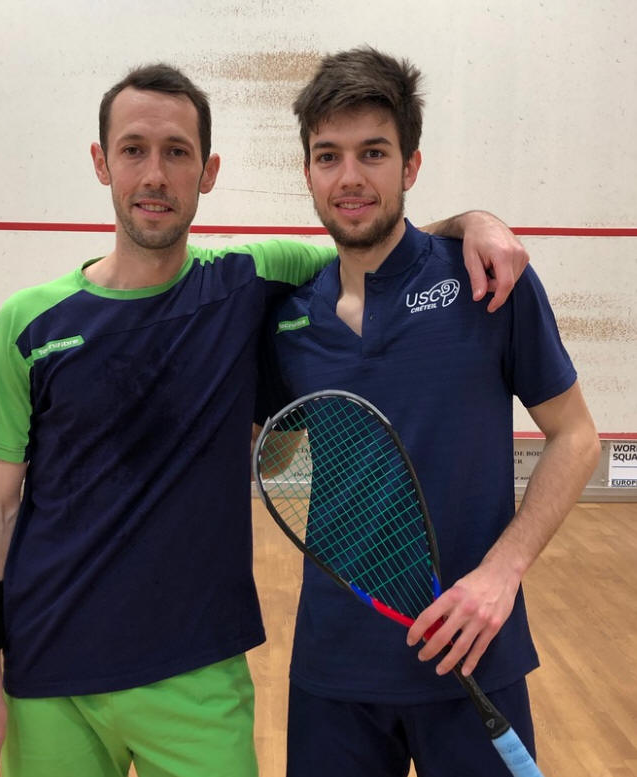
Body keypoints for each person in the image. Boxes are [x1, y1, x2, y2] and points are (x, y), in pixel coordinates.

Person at [0, 62, 530, 777]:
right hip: (48, 676)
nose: (154, 174)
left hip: (199, 675)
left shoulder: (248, 280)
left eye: (177, 152)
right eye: (133, 150)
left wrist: (474, 223)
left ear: (208, 171)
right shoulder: (28, 323)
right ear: (101, 162)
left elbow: (374, 236)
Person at [258, 46, 601, 777]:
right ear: (307, 172)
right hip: (334, 669)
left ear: (410, 166)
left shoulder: (487, 281)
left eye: (373, 153)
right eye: (328, 156)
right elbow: (268, 450)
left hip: (475, 648)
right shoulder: (287, 318)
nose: (350, 177)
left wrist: (502, 572)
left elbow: (575, 437)